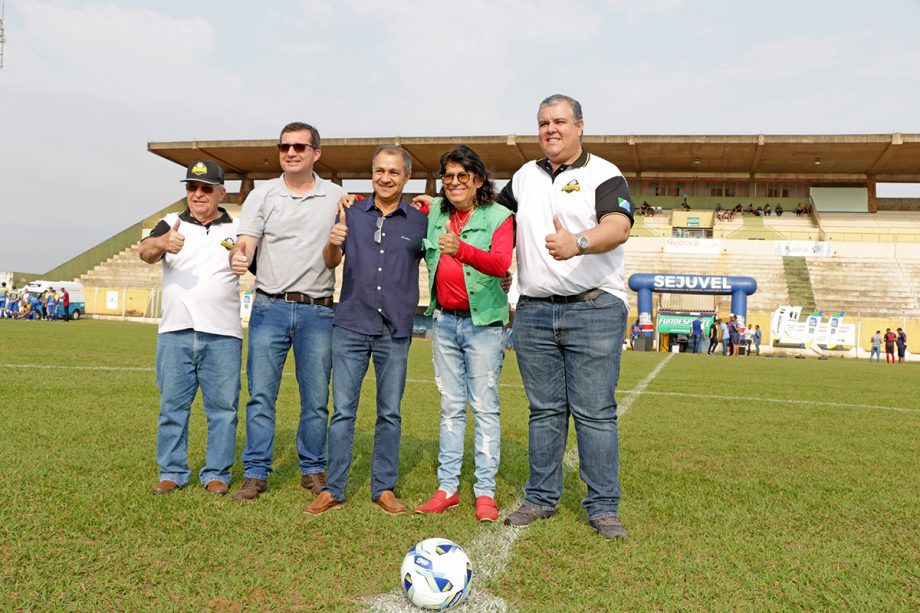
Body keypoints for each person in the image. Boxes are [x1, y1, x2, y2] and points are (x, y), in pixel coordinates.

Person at [495, 94, 634, 540]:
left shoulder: (604, 173)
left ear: (579, 126)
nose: (550, 129)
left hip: (593, 307)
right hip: (534, 310)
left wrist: (579, 242)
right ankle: (540, 497)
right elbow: (494, 220)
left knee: (595, 412)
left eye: (559, 122)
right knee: (545, 411)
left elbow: (620, 226)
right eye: (543, 123)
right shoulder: (523, 176)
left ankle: (603, 506)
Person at [305, 145, 427, 516]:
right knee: (343, 411)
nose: (385, 177)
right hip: (351, 325)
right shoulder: (351, 212)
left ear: (406, 177)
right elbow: (331, 261)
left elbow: (442, 258)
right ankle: (334, 489)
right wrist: (332, 242)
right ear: (371, 173)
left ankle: (383, 488)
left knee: (389, 412)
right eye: (379, 171)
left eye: (393, 172)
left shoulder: (420, 220)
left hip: (395, 328)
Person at [229, 122, 347, 502]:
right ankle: (255, 471)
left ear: (317, 153)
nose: (291, 152)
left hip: (318, 310)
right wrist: (238, 254)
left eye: (299, 146)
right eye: (284, 147)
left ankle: (312, 469)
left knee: (315, 398)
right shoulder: (262, 195)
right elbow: (246, 243)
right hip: (269, 307)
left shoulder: (337, 197)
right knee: (261, 395)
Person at [412, 145, 513, 523]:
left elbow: (501, 263)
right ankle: (447, 488)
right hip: (443, 321)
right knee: (450, 407)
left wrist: (463, 250)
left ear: (479, 180)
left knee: (485, 407)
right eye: (448, 177)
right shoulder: (436, 212)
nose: (454, 183)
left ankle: (484, 493)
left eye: (462, 177)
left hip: (483, 324)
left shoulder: (499, 215)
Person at [139, 160, 241, 496]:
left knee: (223, 411)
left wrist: (244, 260)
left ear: (221, 192)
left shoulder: (235, 229)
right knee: (172, 408)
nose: (197, 194)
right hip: (176, 331)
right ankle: (172, 471)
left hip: (223, 334)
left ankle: (217, 474)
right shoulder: (171, 222)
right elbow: (145, 252)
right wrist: (163, 243)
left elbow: (250, 260)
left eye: (205, 188)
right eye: (191, 187)